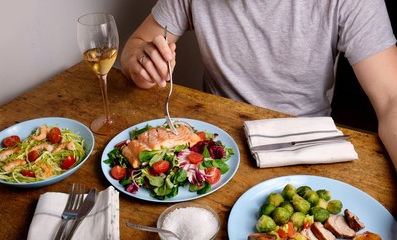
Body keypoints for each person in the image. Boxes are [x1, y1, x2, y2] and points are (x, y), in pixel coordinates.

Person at [120, 0, 397, 170]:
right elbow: (135, 46)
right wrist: (142, 63)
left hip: (305, 147)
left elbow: (391, 98)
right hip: (214, 147)